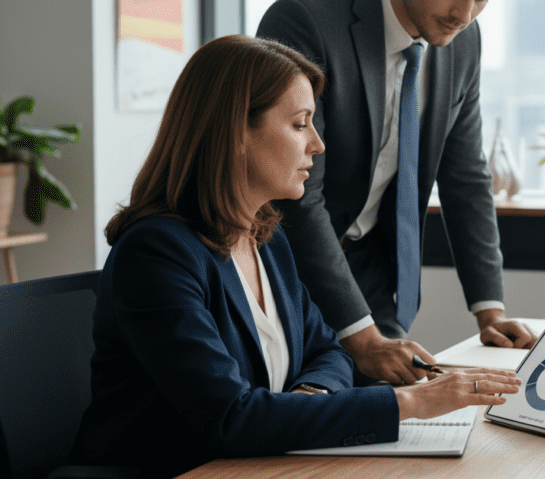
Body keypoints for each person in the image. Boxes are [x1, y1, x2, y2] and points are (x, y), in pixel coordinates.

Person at [70, 35, 520, 478]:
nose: (317, 145)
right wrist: (412, 402)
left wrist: (310, 394)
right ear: (236, 132)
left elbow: (330, 352)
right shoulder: (156, 255)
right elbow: (231, 418)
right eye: (300, 123)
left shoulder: (266, 237)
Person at [256, 0, 535, 386]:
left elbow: (465, 174)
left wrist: (488, 309)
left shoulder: (462, 41)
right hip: (287, 265)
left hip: (375, 271)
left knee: (400, 418)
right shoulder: (306, 20)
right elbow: (296, 193)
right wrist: (361, 337)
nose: (464, 13)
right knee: (302, 422)